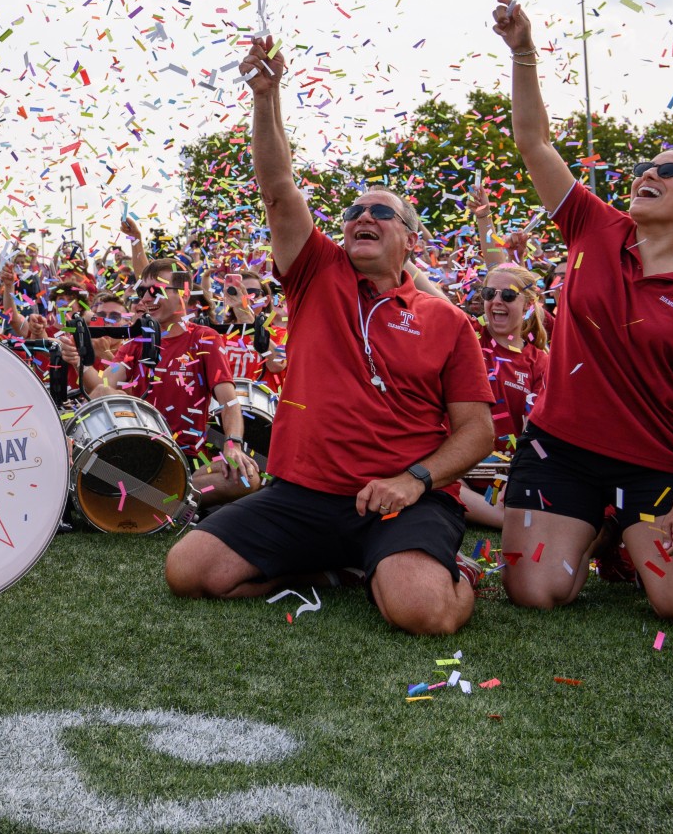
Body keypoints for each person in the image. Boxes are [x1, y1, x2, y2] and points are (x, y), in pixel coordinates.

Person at [165, 32, 495, 636]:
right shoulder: (317, 274)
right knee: (190, 571)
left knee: (424, 614)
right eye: (352, 213)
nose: (362, 217)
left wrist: (414, 481)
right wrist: (266, 96)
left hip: (403, 499)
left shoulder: (445, 319)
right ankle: (331, 564)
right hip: (305, 494)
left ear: (411, 241)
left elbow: (478, 430)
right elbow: (278, 186)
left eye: (382, 212)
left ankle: (460, 571)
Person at [492, 0, 673, 630]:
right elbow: (534, 142)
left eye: (669, 171)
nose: (648, 174)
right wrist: (523, 51)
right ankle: (605, 532)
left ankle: (632, 524)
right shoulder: (595, 225)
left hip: (655, 463)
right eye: (645, 167)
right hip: (562, 450)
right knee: (537, 593)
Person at [64, 261, 260, 507]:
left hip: (186, 458)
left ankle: (146, 498)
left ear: (184, 292)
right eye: (142, 292)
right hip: (137, 453)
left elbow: (229, 399)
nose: (146, 298)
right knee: (104, 392)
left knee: (247, 478)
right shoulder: (135, 343)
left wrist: (233, 445)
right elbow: (102, 387)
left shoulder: (205, 338)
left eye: (155, 290)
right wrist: (78, 361)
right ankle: (167, 500)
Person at [461, 263, 549, 529]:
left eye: (508, 296)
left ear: (527, 304)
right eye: (489, 294)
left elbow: (537, 434)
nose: (496, 301)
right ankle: (504, 521)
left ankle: (497, 514)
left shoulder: (539, 362)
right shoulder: (469, 335)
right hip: (459, 467)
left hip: (511, 474)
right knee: (427, 475)